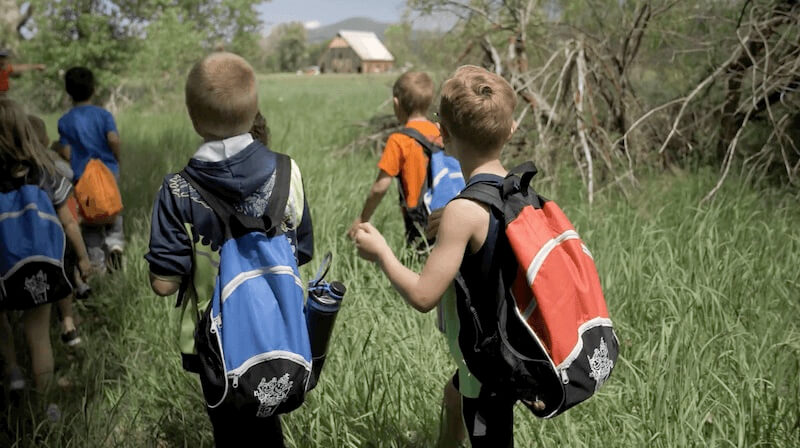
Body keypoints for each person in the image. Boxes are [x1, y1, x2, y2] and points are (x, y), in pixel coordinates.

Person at [145, 52, 313, 447]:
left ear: (193, 117)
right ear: (255, 109)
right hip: (282, 330)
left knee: (231, 432)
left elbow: (163, 284)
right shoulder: (288, 171)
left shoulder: (176, 190)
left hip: (214, 345)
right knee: (269, 424)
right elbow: (301, 251)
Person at [353, 65, 520, 447]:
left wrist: (381, 253)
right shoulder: (515, 191)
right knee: (455, 393)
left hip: (487, 353)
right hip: (510, 339)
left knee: (488, 431)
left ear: (443, 135)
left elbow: (425, 297)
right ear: (511, 131)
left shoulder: (463, 213)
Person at [0, 98, 91, 420]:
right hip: (41, 263)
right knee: (38, 336)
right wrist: (81, 259)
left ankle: (12, 373)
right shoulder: (44, 173)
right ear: (25, 132)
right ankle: (48, 407)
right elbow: (69, 222)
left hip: (2, 267)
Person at [348, 71, 443, 248]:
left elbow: (380, 188)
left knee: (419, 267)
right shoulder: (441, 133)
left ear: (396, 103)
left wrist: (363, 219)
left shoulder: (399, 140)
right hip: (448, 212)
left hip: (419, 219)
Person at [52, 66, 124, 273]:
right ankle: (115, 243)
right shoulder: (103, 115)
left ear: (68, 92)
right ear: (93, 89)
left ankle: (97, 266)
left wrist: (57, 147)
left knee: (91, 220)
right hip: (108, 171)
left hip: (82, 176)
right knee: (113, 208)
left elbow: (66, 153)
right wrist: (117, 159)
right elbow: (113, 139)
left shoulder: (65, 121)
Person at [29, 113, 88, 345]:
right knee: (63, 278)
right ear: (43, 139)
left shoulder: (14, 170)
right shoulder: (49, 166)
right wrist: (83, 256)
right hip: (56, 238)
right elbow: (69, 220)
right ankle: (67, 322)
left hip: (28, 241)